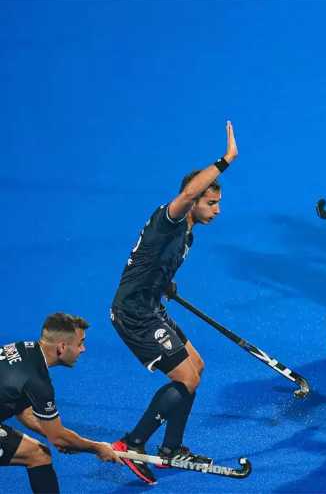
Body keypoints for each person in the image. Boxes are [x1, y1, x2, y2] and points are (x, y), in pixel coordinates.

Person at [109, 121, 238, 485]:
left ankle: (171, 449)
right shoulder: (169, 219)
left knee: (195, 367)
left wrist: (166, 283)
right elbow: (185, 195)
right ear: (192, 199)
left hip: (151, 305)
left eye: (219, 202)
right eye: (211, 202)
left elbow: (152, 263)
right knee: (183, 376)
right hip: (133, 312)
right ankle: (132, 444)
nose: (217, 209)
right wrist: (226, 160)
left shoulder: (187, 236)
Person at [0, 313, 121, 494]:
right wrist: (97, 448)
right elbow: (59, 437)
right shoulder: (38, 381)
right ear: (62, 347)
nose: (83, 349)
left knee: (38, 452)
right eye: (80, 344)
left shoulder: (24, 350)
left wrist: (58, 437)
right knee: (38, 455)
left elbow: (23, 411)